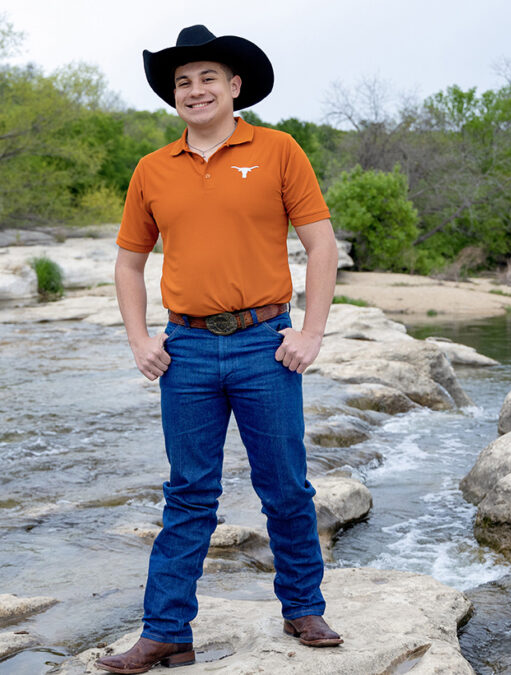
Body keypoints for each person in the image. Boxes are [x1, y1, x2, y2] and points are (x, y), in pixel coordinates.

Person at [97, 24, 341, 674]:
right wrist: (141, 338)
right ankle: (167, 633)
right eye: (183, 81)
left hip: (266, 343)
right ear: (174, 95)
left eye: (208, 77)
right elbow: (127, 266)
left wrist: (310, 332)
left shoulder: (278, 150)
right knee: (188, 494)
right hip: (188, 351)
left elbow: (322, 245)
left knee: (285, 487)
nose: (195, 89)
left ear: (235, 87)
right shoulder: (153, 170)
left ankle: (302, 606)